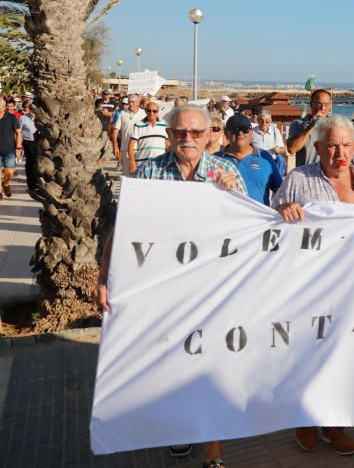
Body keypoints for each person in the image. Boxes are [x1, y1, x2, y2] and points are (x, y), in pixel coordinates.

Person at [96, 104, 246, 467]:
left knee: (211, 367)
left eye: (196, 132)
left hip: (212, 292)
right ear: (170, 135)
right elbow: (124, 230)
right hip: (165, 291)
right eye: (180, 132)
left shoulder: (226, 173)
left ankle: (213, 448)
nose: (188, 139)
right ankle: (179, 430)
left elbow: (250, 230)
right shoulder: (148, 172)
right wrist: (104, 277)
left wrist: (234, 197)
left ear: (210, 134)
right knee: (171, 365)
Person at [270, 114, 354, 458]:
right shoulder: (299, 178)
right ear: (318, 147)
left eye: (346, 145)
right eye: (332, 145)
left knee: (345, 354)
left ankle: (334, 424)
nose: (339, 152)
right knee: (308, 352)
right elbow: (270, 215)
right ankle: (304, 418)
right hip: (309, 285)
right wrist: (284, 209)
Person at [216, 114, 283, 205]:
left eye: (245, 130)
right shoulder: (215, 160)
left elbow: (279, 190)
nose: (240, 133)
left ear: (251, 133)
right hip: (225, 217)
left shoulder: (265, 158)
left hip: (259, 218)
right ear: (226, 133)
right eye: (235, 129)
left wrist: (279, 208)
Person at [286, 88, 333, 168]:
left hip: (328, 175)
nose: (322, 108)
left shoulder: (334, 125)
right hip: (305, 175)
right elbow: (292, 149)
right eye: (319, 103)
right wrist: (312, 124)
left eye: (326, 105)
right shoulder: (298, 124)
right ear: (311, 104)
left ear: (330, 106)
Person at [126, 101, 169, 176]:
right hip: (142, 165)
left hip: (160, 166)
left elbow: (168, 146)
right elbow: (130, 146)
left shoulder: (164, 125)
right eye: (149, 110)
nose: (151, 113)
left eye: (154, 111)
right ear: (145, 111)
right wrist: (132, 163)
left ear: (158, 112)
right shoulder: (138, 125)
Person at [109, 94, 145, 168]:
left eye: (133, 102)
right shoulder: (122, 113)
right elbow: (115, 131)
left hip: (141, 148)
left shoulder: (144, 114)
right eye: (129, 102)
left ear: (138, 102)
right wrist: (115, 146)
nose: (131, 104)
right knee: (127, 173)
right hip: (125, 148)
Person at [0, 97, 23, 199]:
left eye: (3, 105)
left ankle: (5, 184)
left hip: (9, 151)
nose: (3, 107)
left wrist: (18, 148)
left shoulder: (11, 117)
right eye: (1, 105)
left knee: (9, 173)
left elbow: (18, 132)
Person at [18, 102, 38, 196]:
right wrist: (18, 144)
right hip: (29, 142)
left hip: (40, 143)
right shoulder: (23, 118)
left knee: (38, 163)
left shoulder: (41, 118)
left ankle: (39, 183)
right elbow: (18, 131)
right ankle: (32, 185)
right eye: (32, 108)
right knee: (30, 163)